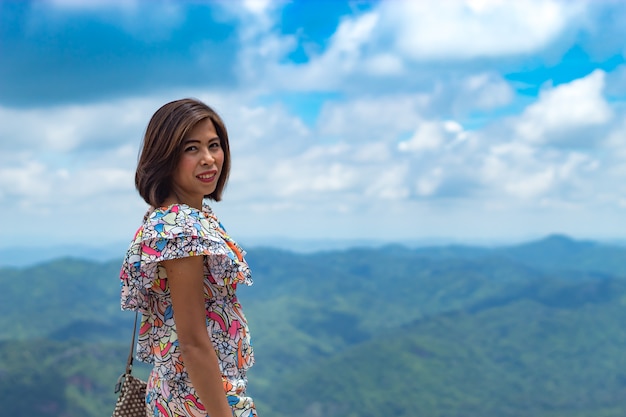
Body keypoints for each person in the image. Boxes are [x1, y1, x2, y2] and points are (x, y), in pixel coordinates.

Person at [119, 98, 257, 417]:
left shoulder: (168, 218)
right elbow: (193, 341)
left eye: (214, 145)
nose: (209, 159)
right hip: (195, 401)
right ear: (165, 157)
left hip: (176, 392)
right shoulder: (182, 227)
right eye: (191, 149)